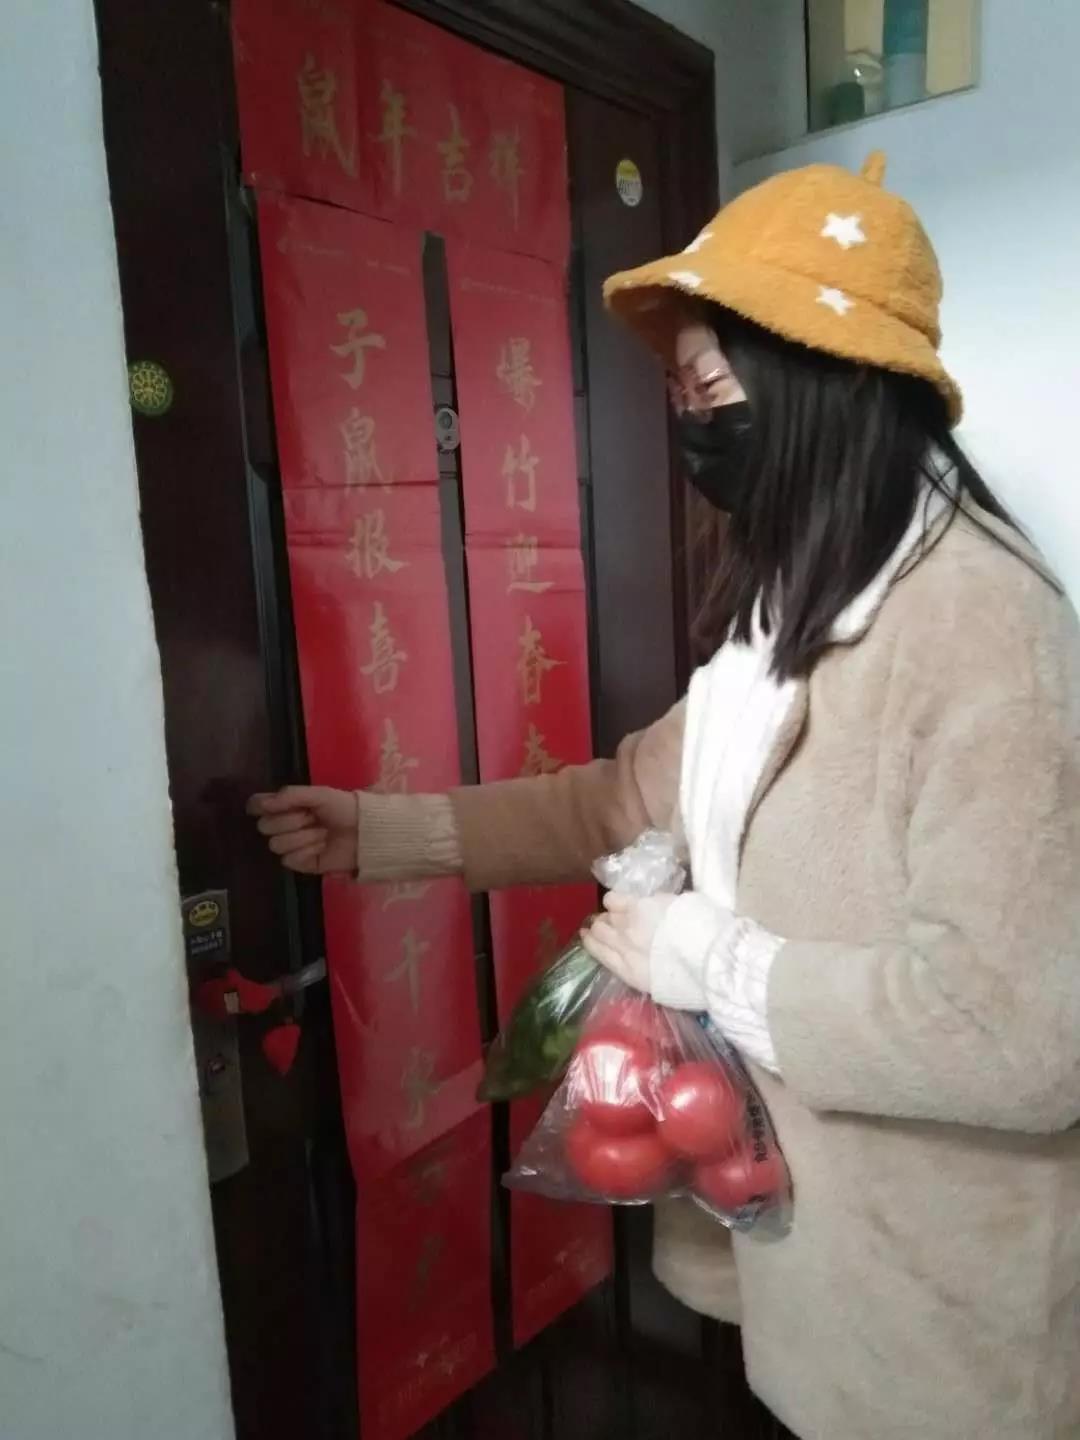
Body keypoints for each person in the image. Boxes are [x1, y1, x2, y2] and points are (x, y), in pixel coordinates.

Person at [249, 153, 1080, 1439]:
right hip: (801, 1234)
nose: (693, 429)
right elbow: (628, 795)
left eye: (713, 389)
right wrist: (381, 831)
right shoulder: (787, 615)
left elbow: (1019, 1041)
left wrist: (710, 959)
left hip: (939, 1290)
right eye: (681, 393)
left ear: (833, 383)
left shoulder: (982, 634)